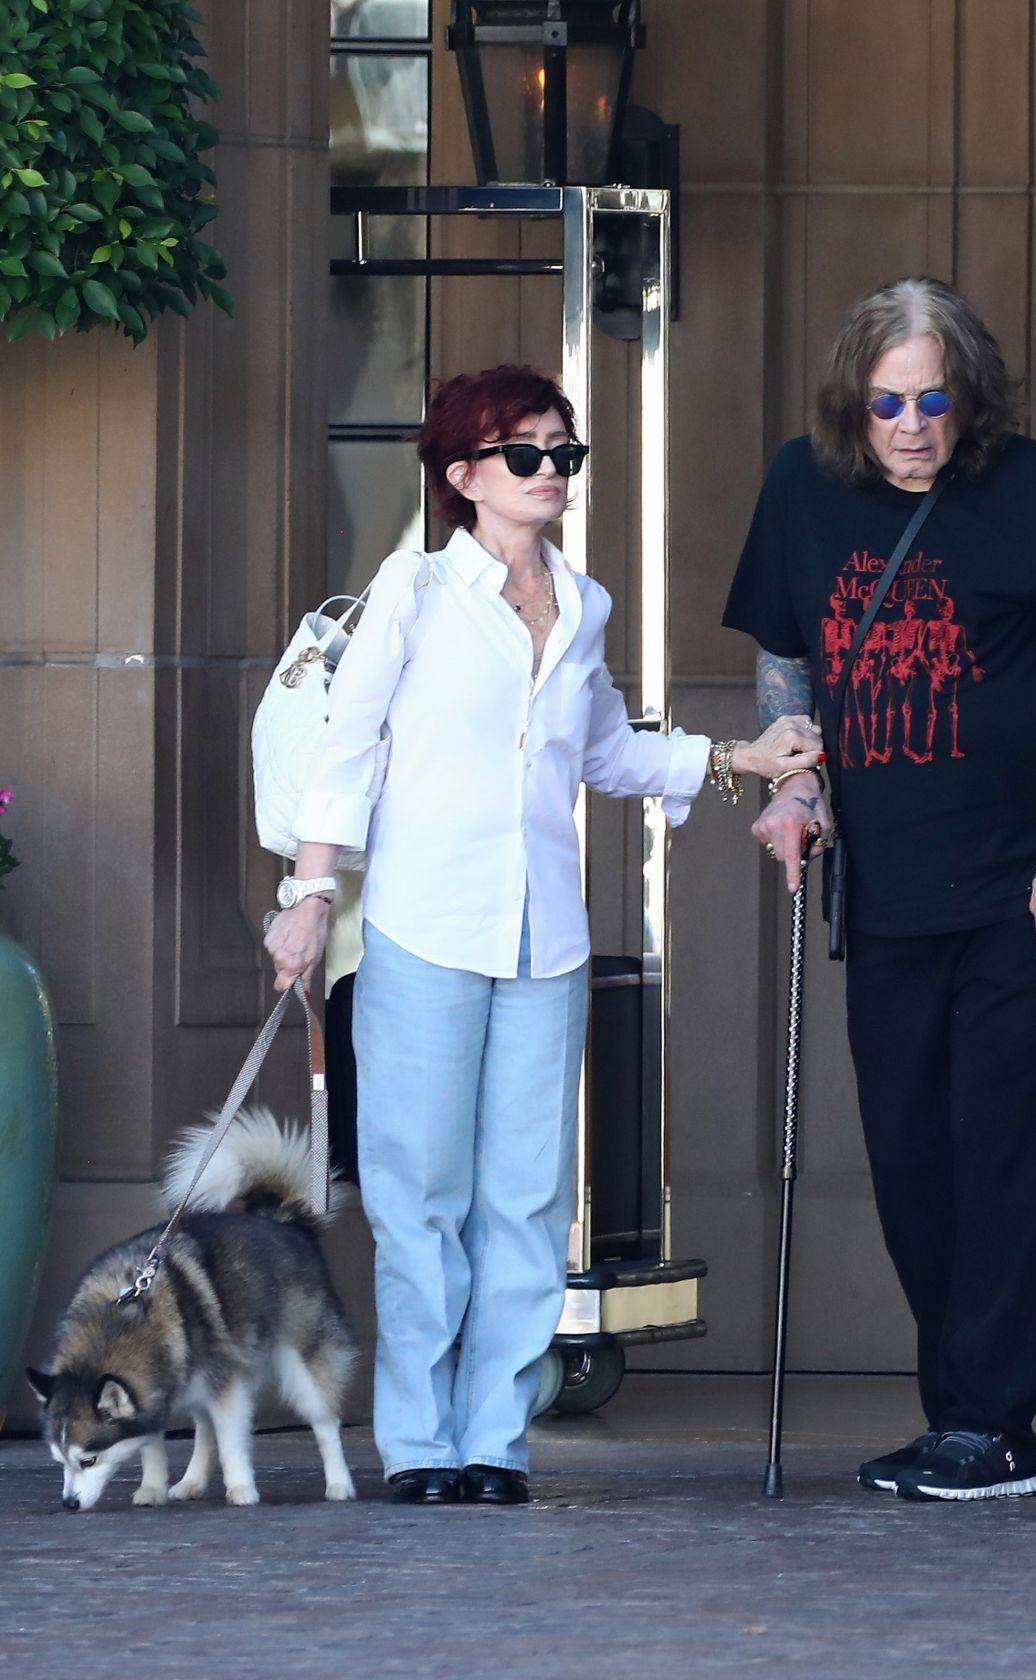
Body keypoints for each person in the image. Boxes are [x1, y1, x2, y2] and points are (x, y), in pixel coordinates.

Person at [266, 364, 822, 1506]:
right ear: (465, 475)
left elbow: (605, 751)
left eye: (565, 453)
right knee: (420, 1197)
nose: (552, 472)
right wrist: (308, 897)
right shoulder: (413, 589)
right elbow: (347, 749)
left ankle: (493, 1441)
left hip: (544, 943)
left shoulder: (585, 606)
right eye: (528, 454)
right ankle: (418, 1442)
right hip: (423, 926)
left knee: (525, 1200)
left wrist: (736, 760)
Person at [723, 278, 1036, 1502]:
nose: (910, 424)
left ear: (971, 394)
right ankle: (958, 1412)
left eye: (933, 398)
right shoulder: (803, 486)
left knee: (1012, 1155)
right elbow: (786, 653)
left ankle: (996, 1425)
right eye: (887, 402)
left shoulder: (1035, 490)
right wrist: (796, 790)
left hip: (1024, 892)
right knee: (912, 1157)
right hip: (886, 892)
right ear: (856, 401)